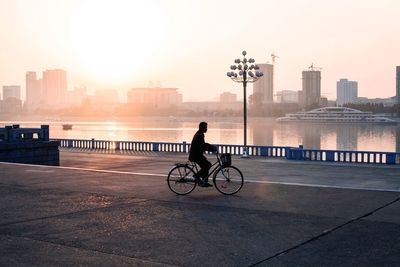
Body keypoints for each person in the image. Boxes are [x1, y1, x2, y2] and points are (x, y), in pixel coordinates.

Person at [189, 121, 217, 187]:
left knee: (207, 165)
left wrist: (210, 146)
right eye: (205, 127)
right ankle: (196, 176)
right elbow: (202, 146)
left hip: (197, 155)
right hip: (195, 156)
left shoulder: (200, 134)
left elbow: (203, 144)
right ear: (202, 128)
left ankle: (204, 181)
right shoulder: (199, 135)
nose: (206, 129)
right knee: (207, 165)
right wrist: (211, 149)